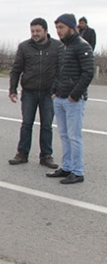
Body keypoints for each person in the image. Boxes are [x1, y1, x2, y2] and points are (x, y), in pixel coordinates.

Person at [8, 18, 63, 169]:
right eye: (32, 31)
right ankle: (22, 153)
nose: (35, 34)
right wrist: (13, 89)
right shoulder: (24, 47)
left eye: (38, 31)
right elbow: (16, 69)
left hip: (48, 93)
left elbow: (61, 70)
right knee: (26, 124)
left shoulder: (57, 47)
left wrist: (56, 90)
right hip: (29, 92)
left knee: (46, 125)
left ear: (45, 31)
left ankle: (46, 156)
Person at [46, 14, 94, 184]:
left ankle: (78, 171)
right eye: (57, 28)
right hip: (59, 98)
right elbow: (58, 72)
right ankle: (67, 167)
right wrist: (54, 91)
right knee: (64, 135)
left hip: (74, 100)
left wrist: (75, 94)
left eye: (61, 27)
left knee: (74, 137)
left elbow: (88, 72)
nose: (58, 31)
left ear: (71, 27)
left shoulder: (82, 46)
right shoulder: (63, 47)